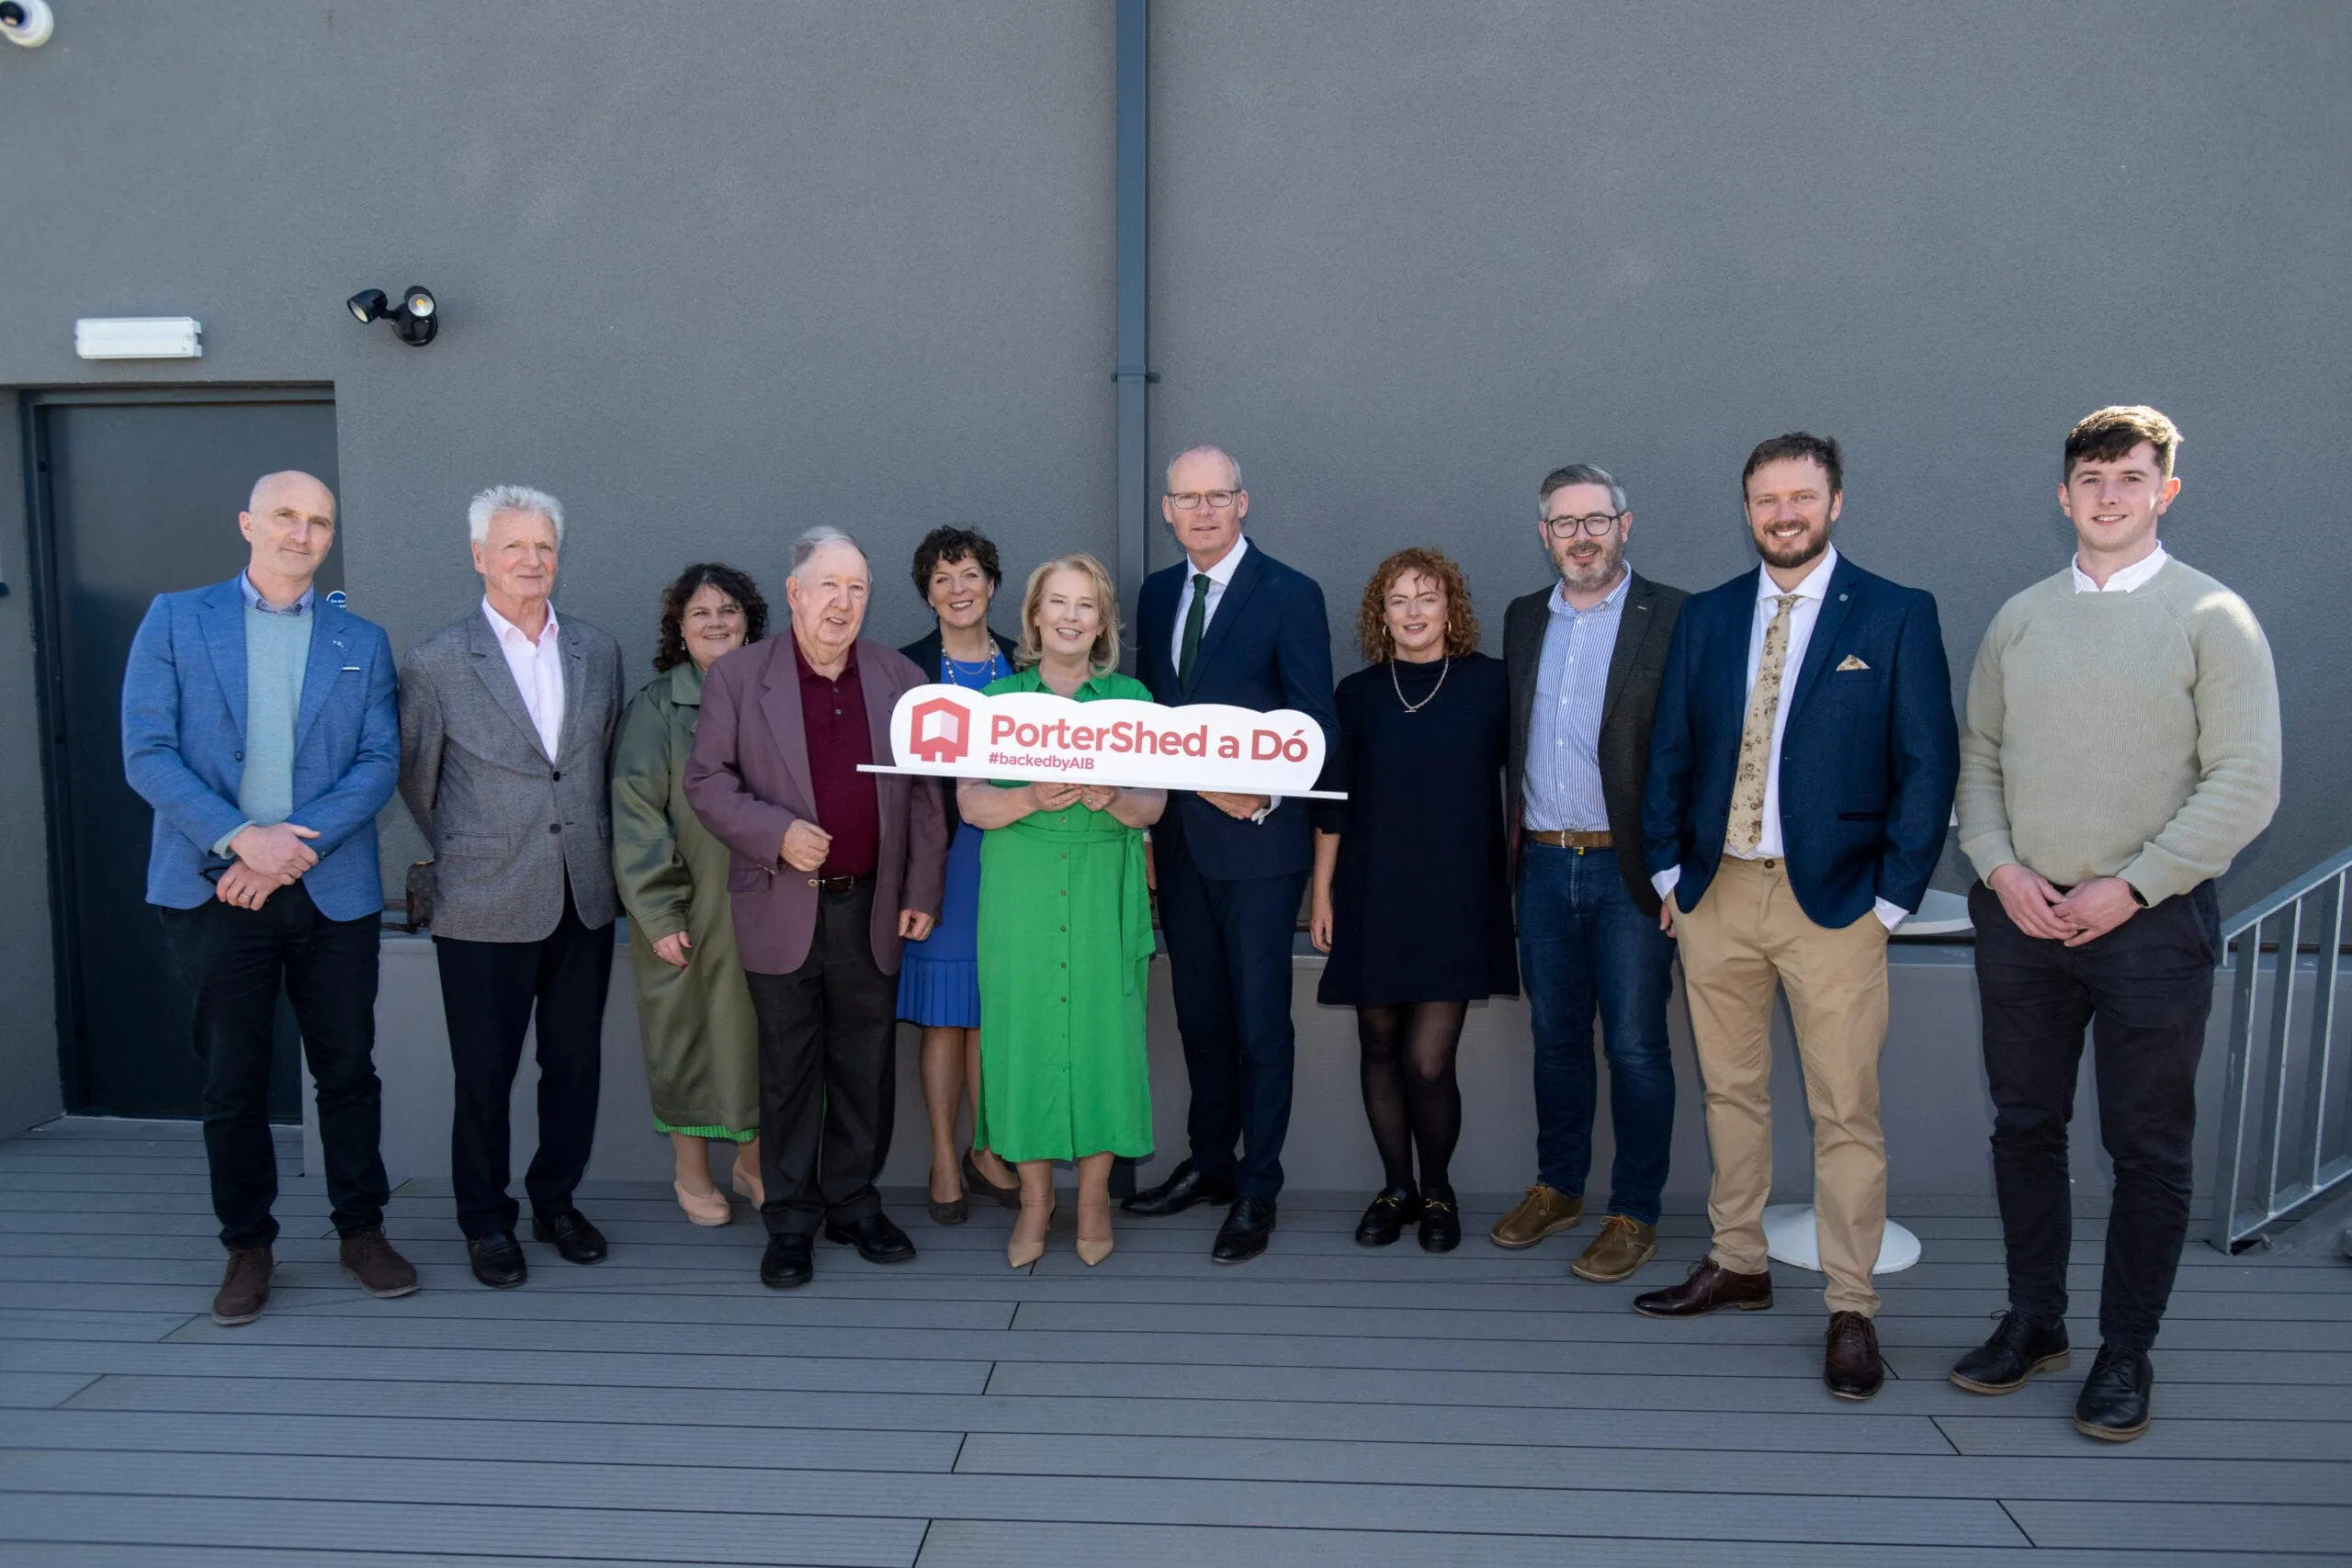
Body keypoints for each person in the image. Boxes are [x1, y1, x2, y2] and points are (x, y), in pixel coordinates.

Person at [1951, 406, 2278, 1442]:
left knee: (2145, 1147)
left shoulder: (2212, 618)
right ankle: (2034, 1320)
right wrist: (1999, 866)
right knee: (2024, 1125)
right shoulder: (2021, 619)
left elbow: (2245, 781)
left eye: (2130, 477)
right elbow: (1980, 758)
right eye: (2090, 478)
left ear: (2164, 491)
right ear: (2063, 495)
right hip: (2023, 916)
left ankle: (2126, 1349)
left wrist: (2133, 887)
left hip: (2151, 926)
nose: (2108, 495)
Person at [1637, 433, 1958, 1402]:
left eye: (1801, 496)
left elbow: (1926, 765)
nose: (1784, 514)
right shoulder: (1708, 616)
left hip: (1838, 903)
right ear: (1746, 510)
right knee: (1730, 1092)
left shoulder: (1896, 613)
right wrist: (1668, 871)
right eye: (1766, 499)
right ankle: (1737, 1260)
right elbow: (1669, 748)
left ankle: (1851, 1304)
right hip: (1717, 893)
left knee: (1843, 1110)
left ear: (1835, 502)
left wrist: (1890, 900)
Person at [121, 470, 415, 1325]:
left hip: (330, 892)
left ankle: (362, 1230)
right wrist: (240, 837)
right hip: (213, 888)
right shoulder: (176, 619)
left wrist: (287, 851)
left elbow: (378, 763)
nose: (302, 532)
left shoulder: (361, 639)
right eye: (286, 515)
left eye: (319, 520)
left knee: (348, 1071)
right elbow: (147, 751)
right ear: (248, 522)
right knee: (233, 1079)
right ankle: (248, 1246)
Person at [683, 526, 947, 1290]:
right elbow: (707, 781)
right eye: (829, 585)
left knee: (865, 1065)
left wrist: (921, 889)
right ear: (795, 593)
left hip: (873, 905)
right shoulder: (740, 677)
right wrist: (776, 833)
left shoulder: (899, 677)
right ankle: (791, 1219)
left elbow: (927, 796)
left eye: (857, 587)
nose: (843, 601)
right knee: (788, 1070)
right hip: (780, 903)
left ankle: (854, 1203)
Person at [398, 484, 626, 1291]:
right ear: (479, 556)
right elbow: (418, 780)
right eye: (514, 546)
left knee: (574, 1067)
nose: (532, 559)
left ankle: (555, 1201)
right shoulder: (435, 661)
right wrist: (480, 847)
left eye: (543, 545)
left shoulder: (596, 650)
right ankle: (485, 1220)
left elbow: (596, 764)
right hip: (483, 899)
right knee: (484, 1075)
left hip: (582, 896)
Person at [1124, 444, 1338, 1265]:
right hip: (1179, 846)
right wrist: (1146, 830)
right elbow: (1150, 721)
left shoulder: (1290, 593)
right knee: (1201, 1019)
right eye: (1189, 498)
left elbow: (1316, 726)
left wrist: (1266, 794)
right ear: (1168, 511)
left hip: (1258, 848)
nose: (1204, 511)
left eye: (1219, 496)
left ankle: (1258, 1186)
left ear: (1243, 503)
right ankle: (1210, 1162)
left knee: (1260, 1025)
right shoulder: (1156, 595)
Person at [1493, 466, 1687, 1282]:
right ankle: (1560, 1186)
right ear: (1545, 535)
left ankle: (1634, 1210)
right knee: (1557, 1039)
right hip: (1542, 864)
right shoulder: (1523, 617)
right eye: (1565, 523)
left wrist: (1681, 872)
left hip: (1630, 872)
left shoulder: (1673, 616)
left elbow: (1699, 746)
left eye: (1596, 520)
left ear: (1624, 525)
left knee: (1637, 1046)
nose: (1582, 536)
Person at [959, 554, 1164, 1268]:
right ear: (1035, 615)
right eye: (1059, 602)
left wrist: (1116, 797)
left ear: (1102, 621)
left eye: (1086, 604)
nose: (1071, 616)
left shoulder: (1132, 699)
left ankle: (1096, 1197)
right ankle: (1036, 1199)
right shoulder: (996, 701)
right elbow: (971, 802)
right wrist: (1027, 796)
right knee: (1024, 1037)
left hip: (1104, 877)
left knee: (1106, 1035)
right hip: (1021, 883)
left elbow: (1154, 805)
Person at [1309, 548, 1514, 1252]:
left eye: (1428, 596)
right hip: (1373, 890)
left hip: (1457, 895)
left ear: (1451, 608)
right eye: (1399, 600)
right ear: (1382, 615)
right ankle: (1397, 1188)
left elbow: (1534, 775)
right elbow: (1333, 803)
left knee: (1428, 1060)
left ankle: (1438, 1189)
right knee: (1379, 1042)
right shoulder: (1357, 694)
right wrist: (1321, 892)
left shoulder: (1492, 684)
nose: (1414, 611)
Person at [612, 563, 771, 1226]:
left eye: (729, 609)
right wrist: (659, 911)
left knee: (765, 1034)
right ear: (679, 628)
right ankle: (692, 1173)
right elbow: (636, 815)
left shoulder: (775, 694)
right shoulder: (657, 707)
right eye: (700, 612)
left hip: (769, 903)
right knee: (687, 1037)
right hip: (691, 905)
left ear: (749, 621)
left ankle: (755, 1165)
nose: (716, 622)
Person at [897, 526, 1023, 1222]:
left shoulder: (1027, 662)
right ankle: (945, 1156)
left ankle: (986, 1147)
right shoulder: (904, 668)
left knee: (992, 1013)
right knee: (945, 1016)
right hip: (940, 865)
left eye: (970, 574)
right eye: (942, 579)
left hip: (1013, 861)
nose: (958, 589)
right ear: (927, 593)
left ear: (992, 584)